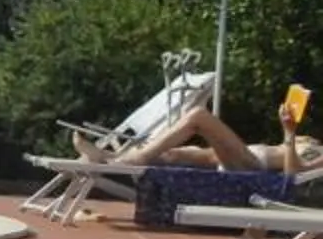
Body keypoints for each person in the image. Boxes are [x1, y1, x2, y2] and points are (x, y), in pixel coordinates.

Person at [76, 86, 315, 172]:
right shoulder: (314, 142)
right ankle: (109, 157)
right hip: (241, 157)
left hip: (251, 165)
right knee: (174, 153)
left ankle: (134, 159)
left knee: (198, 116)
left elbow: (293, 174)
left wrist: (289, 131)